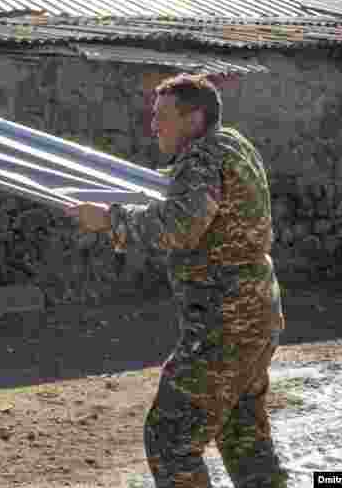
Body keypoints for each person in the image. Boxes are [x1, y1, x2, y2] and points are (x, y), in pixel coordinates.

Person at [70, 74, 288, 488]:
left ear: (195, 119)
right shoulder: (234, 145)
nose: (154, 126)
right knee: (244, 439)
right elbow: (187, 196)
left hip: (225, 325)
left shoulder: (201, 158)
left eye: (163, 116)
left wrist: (109, 219)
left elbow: (183, 225)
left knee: (169, 439)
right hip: (257, 315)